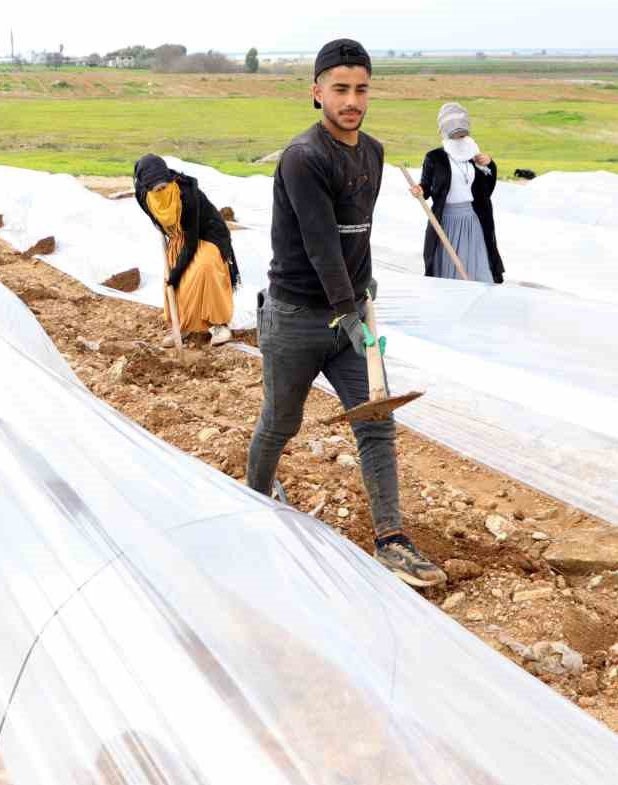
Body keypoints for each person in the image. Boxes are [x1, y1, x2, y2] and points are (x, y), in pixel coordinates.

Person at [245, 37, 445, 588]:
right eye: (340, 89)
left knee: (376, 420)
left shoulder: (373, 153)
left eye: (360, 89)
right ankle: (251, 501)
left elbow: (358, 233)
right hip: (296, 318)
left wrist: (364, 289)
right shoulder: (303, 159)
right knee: (281, 421)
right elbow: (320, 245)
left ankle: (391, 538)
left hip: (350, 314)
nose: (351, 100)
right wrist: (347, 312)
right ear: (317, 92)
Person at [132, 154, 239, 346]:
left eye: (165, 187)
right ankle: (181, 326)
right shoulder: (143, 196)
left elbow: (191, 244)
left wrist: (176, 273)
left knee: (203, 269)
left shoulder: (187, 194)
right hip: (178, 236)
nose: (162, 191)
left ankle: (218, 325)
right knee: (177, 282)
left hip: (207, 235)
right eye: (157, 190)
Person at [412, 103, 505, 283]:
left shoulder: (473, 156)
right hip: (447, 222)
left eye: (463, 134)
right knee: (449, 269)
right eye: (456, 135)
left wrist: (489, 165)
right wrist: (419, 190)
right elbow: (426, 186)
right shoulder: (435, 158)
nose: (461, 139)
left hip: (472, 220)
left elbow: (486, 189)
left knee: (477, 267)